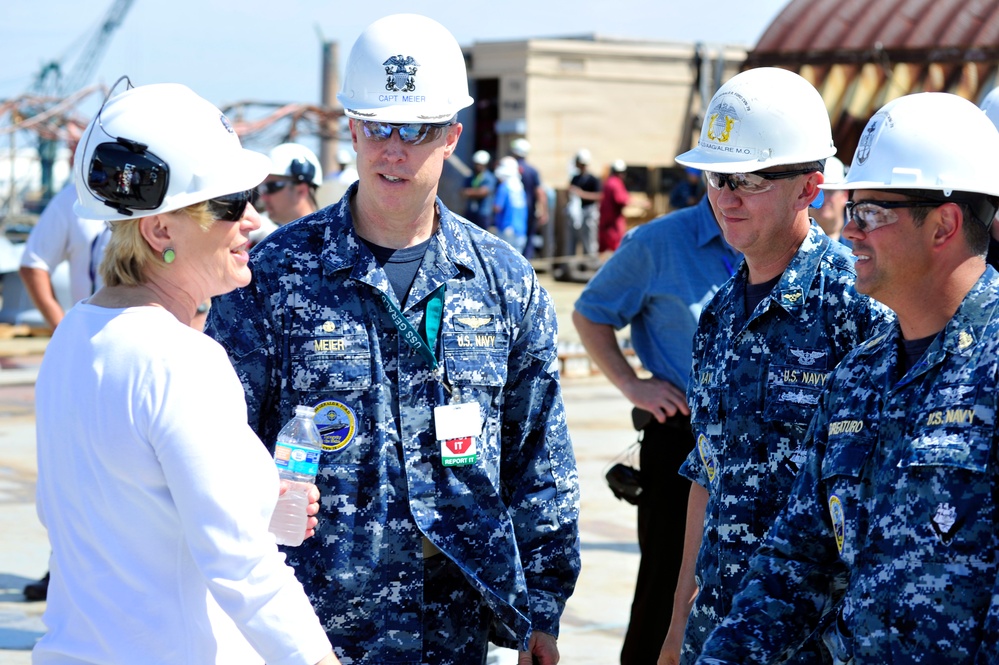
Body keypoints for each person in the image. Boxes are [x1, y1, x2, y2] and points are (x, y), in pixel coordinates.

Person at [206, 14, 580, 665]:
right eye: (377, 126)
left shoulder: (501, 280)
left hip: (454, 629)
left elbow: (538, 452)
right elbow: (220, 446)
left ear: (451, 138)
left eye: (416, 130)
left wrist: (540, 610)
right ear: (351, 128)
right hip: (309, 623)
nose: (393, 148)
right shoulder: (273, 272)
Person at [32, 80, 339, 665]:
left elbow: (93, 514)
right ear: (160, 230)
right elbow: (241, 565)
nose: (251, 219)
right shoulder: (181, 358)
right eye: (229, 204)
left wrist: (258, 501)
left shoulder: (74, 335)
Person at [694, 91, 999, 665]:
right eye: (851, 208)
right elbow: (797, 560)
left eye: (871, 213)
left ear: (945, 224)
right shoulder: (860, 375)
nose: (850, 231)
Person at [658, 67, 892, 665]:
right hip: (720, 634)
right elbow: (707, 479)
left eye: (751, 177)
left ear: (810, 188)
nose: (726, 196)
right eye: (716, 176)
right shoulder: (716, 318)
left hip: (817, 642)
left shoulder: (859, 308)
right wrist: (677, 629)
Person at [573, 193, 740, 665]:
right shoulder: (659, 242)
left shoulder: (778, 242)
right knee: (667, 585)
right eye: (722, 177)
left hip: (762, 442)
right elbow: (591, 312)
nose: (733, 190)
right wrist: (631, 384)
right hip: (680, 437)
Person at [19, 182, 107, 332]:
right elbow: (33, 264)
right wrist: (64, 332)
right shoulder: (72, 198)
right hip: (89, 335)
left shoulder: (156, 196)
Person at [258, 142, 324, 225]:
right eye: (262, 188)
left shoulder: (330, 235)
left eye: (271, 187)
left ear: (301, 190)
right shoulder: (268, 235)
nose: (263, 197)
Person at [563, 148, 602, 272]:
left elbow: (599, 196)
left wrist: (582, 194)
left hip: (589, 211)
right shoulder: (575, 178)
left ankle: (590, 265)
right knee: (573, 239)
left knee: (589, 239)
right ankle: (571, 266)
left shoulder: (593, 179)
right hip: (577, 213)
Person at [510, 137, 549, 258]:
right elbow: (540, 192)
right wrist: (544, 211)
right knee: (528, 237)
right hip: (528, 209)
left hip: (511, 211)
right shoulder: (532, 170)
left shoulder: (508, 168)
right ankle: (524, 264)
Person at [493, 155, 529, 253]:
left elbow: (497, 207)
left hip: (506, 229)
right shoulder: (520, 187)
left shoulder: (504, 187)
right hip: (521, 230)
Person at [810, 156, 849, 244]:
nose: (823, 198)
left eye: (830, 192)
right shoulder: (793, 242)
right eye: (817, 192)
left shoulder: (860, 239)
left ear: (844, 195)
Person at [599, 159, 631, 252]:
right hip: (613, 224)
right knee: (616, 248)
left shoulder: (608, 182)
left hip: (605, 223)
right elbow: (622, 200)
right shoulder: (616, 183)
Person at [461, 149, 496, 230]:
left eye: (480, 164)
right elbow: (463, 191)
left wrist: (469, 192)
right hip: (471, 211)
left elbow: (484, 192)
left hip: (483, 212)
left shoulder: (488, 177)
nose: (477, 166)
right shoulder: (472, 177)